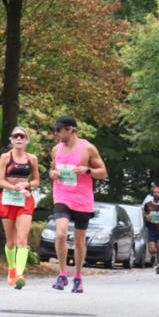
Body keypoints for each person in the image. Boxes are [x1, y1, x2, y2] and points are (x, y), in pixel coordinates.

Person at [48, 115, 108, 293]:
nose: (57, 133)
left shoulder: (88, 148)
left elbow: (103, 172)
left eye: (59, 130)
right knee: (60, 233)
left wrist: (87, 170)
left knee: (80, 240)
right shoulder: (56, 149)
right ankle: (62, 273)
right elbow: (53, 168)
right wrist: (53, 174)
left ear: (71, 130)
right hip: (62, 195)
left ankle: (78, 277)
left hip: (82, 199)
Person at [0, 126, 41, 289]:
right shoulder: (5, 157)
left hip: (25, 200)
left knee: (22, 240)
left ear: (27, 140)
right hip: (8, 199)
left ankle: (20, 275)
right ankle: (12, 269)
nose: (19, 139)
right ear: (11, 140)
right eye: (16, 136)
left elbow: (36, 180)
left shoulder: (32, 159)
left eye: (22, 136)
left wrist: (27, 184)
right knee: (11, 241)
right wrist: (13, 187)